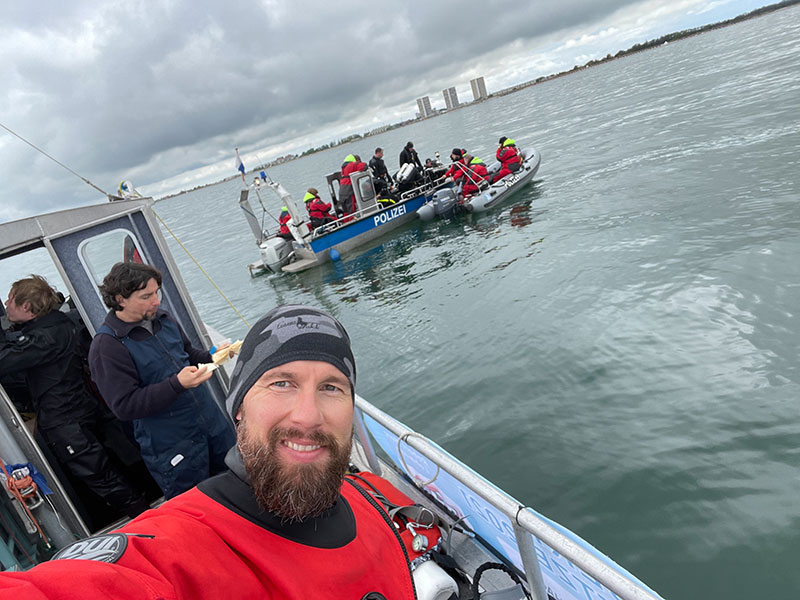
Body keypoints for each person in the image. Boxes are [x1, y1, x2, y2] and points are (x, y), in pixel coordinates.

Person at [1, 305, 416, 599]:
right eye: (280, 383)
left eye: (331, 387)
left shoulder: (378, 497)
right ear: (240, 409)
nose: (307, 416)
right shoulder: (181, 551)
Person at [0, 275, 149, 518]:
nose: (6, 305)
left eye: (10, 300)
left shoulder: (44, 337)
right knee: (114, 467)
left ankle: (145, 520)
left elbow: (4, 361)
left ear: (26, 307)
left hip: (66, 420)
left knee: (101, 478)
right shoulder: (58, 324)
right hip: (83, 408)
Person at [88, 262, 235, 499]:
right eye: (146, 296)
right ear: (120, 299)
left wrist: (213, 355)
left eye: (157, 292)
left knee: (241, 488)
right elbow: (125, 406)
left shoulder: (164, 319)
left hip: (213, 427)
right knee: (198, 510)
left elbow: (188, 355)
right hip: (173, 446)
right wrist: (176, 385)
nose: (156, 301)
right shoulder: (107, 346)